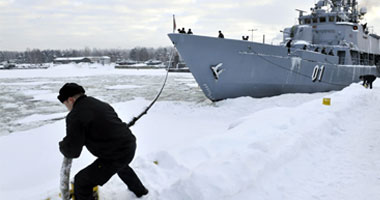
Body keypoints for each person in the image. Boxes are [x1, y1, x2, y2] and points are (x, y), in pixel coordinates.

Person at [57, 83, 148, 200]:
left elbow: (73, 151)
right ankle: (140, 191)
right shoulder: (99, 103)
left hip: (115, 154)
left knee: (81, 182)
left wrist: (63, 145)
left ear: (70, 100)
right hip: (129, 145)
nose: (67, 108)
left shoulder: (75, 115)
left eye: (66, 104)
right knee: (121, 165)